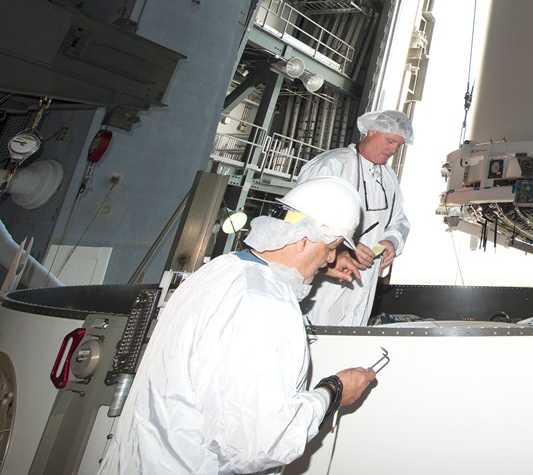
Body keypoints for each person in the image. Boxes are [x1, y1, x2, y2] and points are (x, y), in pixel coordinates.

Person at [97, 177, 377, 473]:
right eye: (331, 247)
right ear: (305, 239)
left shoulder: (221, 270)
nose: (331, 258)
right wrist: (332, 392)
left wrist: (318, 267)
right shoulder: (264, 303)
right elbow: (261, 442)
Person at [298, 110, 413, 326]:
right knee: (315, 332)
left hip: (364, 280)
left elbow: (398, 220)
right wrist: (337, 252)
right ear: (371, 131)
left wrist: (391, 242)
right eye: (390, 141)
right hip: (325, 276)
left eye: (399, 145)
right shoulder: (333, 164)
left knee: (349, 339)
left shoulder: (388, 177)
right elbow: (301, 222)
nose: (393, 150)